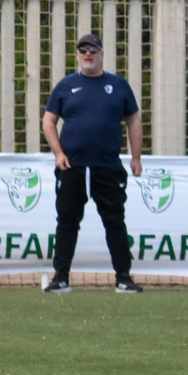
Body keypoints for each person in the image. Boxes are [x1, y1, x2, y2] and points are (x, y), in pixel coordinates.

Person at [41, 33, 145, 294]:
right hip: (72, 167)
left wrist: (136, 157)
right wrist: (58, 153)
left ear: (101, 54)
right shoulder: (66, 86)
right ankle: (60, 278)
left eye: (93, 50)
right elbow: (49, 120)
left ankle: (124, 278)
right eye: (83, 50)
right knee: (67, 222)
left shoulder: (118, 86)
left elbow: (133, 119)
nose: (88, 54)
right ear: (77, 55)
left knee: (115, 221)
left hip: (107, 167)